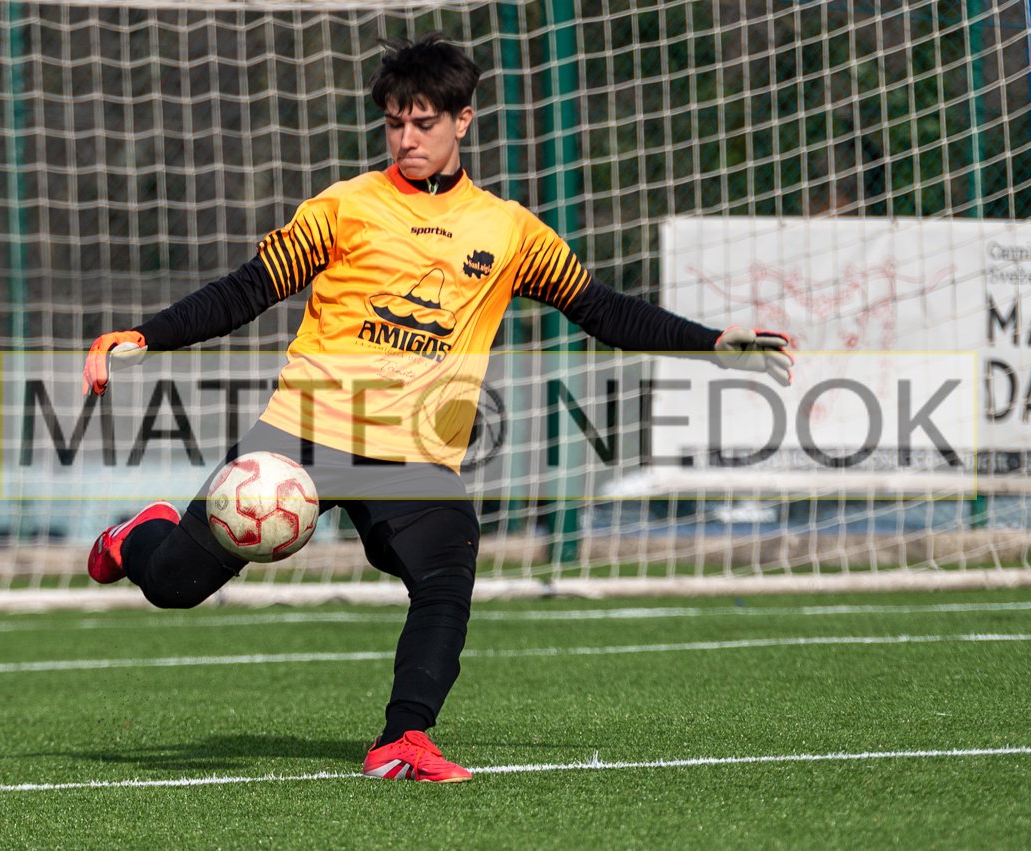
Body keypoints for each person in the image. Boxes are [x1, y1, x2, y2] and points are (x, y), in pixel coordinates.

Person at [82, 34, 790, 782]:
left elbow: (601, 310)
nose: (407, 139)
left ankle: (403, 738)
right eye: (395, 123)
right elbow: (247, 289)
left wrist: (711, 342)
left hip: (414, 455)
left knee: (448, 567)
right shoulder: (343, 208)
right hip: (304, 432)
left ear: (463, 121)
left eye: (423, 123)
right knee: (174, 584)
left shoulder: (508, 230)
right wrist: (147, 335)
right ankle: (137, 536)